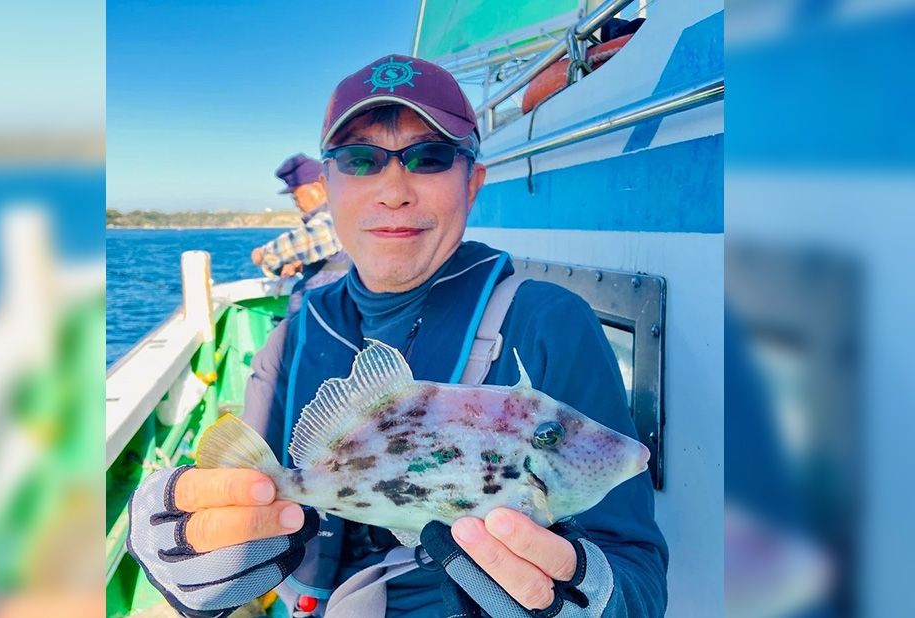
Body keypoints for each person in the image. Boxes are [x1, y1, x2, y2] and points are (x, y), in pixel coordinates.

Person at [128, 54, 668, 617]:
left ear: (473, 181)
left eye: (429, 157)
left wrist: (594, 598)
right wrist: (187, 552)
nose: (394, 191)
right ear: (328, 184)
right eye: (361, 159)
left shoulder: (548, 323)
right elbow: (234, 495)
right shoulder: (291, 337)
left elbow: (637, 574)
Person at [251, 153, 351, 315]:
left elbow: (311, 237)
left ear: (320, 186)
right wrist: (299, 265)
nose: (295, 202)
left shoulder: (334, 215)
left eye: (296, 195)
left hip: (326, 315)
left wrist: (264, 254)